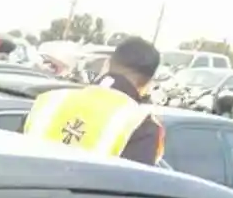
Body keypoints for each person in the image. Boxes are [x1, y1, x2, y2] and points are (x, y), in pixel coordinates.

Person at [21, 36, 165, 165]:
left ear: (106, 64)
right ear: (148, 83)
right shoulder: (142, 125)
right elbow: (136, 187)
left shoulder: (49, 100)